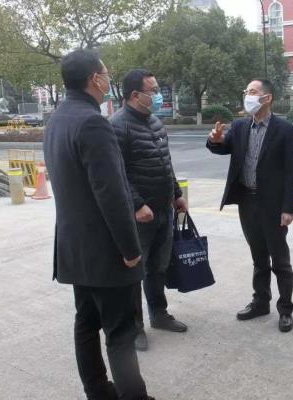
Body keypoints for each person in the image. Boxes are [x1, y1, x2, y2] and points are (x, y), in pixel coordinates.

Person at [43, 50, 153, 399]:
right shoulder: (93, 123)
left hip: (75, 249)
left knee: (86, 324)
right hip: (106, 253)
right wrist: (131, 250)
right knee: (120, 333)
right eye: (106, 73)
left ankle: (98, 391)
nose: (108, 79)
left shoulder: (57, 119)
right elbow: (112, 194)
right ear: (94, 79)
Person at [206, 78, 293, 332]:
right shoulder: (239, 126)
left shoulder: (284, 129)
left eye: (252, 91)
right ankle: (261, 302)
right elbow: (222, 147)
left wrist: (288, 208)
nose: (247, 95)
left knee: (280, 260)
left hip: (273, 205)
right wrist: (215, 139)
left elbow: (292, 172)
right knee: (258, 257)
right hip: (247, 201)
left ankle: (285, 309)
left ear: (266, 98)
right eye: (246, 91)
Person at [110, 69, 189, 352]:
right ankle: (134, 326)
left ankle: (159, 313)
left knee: (158, 266)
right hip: (139, 215)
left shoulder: (155, 122)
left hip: (163, 210)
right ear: (135, 95)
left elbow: (166, 163)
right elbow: (116, 173)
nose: (158, 95)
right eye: (153, 91)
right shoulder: (118, 126)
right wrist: (137, 204)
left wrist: (176, 194)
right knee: (135, 272)